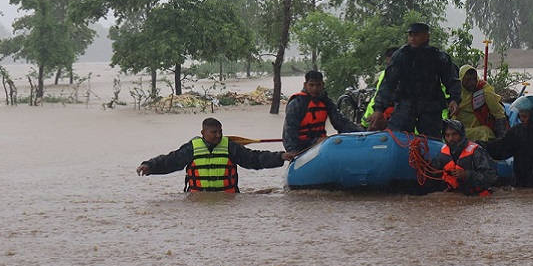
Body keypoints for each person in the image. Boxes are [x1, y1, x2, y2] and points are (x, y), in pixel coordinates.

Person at [136, 117, 295, 193]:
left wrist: (280, 156)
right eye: (214, 132)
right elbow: (170, 161)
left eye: (220, 131)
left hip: (228, 198)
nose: (218, 135)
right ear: (203, 133)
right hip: (197, 199)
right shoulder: (191, 148)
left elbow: (254, 159)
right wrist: (150, 166)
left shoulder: (231, 147)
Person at [366, 22, 461, 139]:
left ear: (426, 36)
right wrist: (379, 109)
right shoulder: (401, 55)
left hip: (430, 107)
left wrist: (454, 99)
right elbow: (388, 83)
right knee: (397, 138)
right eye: (410, 35)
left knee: (431, 141)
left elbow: (451, 80)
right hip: (405, 105)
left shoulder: (439, 56)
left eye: (416, 35)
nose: (412, 38)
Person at [282, 70, 364, 153]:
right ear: (305, 85)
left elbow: (340, 122)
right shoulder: (296, 103)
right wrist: (291, 151)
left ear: (323, 85)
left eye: (318, 85)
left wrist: (360, 131)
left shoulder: (325, 101)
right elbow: (289, 131)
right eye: (311, 85)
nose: (315, 89)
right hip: (301, 147)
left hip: (321, 145)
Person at [430, 119, 498, 196]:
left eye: (454, 134)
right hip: (454, 195)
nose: (450, 139)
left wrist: (466, 174)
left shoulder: (477, 151)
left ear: (461, 135)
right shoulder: (443, 152)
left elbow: (492, 177)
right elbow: (433, 172)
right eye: (447, 135)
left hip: (476, 196)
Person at [456, 64, 509, 142]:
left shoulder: (484, 90)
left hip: (480, 128)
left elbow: (498, 112)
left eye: (474, 79)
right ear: (461, 79)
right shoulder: (455, 93)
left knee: (485, 132)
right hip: (460, 131)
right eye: (468, 80)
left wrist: (502, 135)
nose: (472, 83)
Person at [361, 46, 399, 128]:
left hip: (377, 115)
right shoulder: (388, 74)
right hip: (378, 116)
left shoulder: (387, 74)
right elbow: (383, 94)